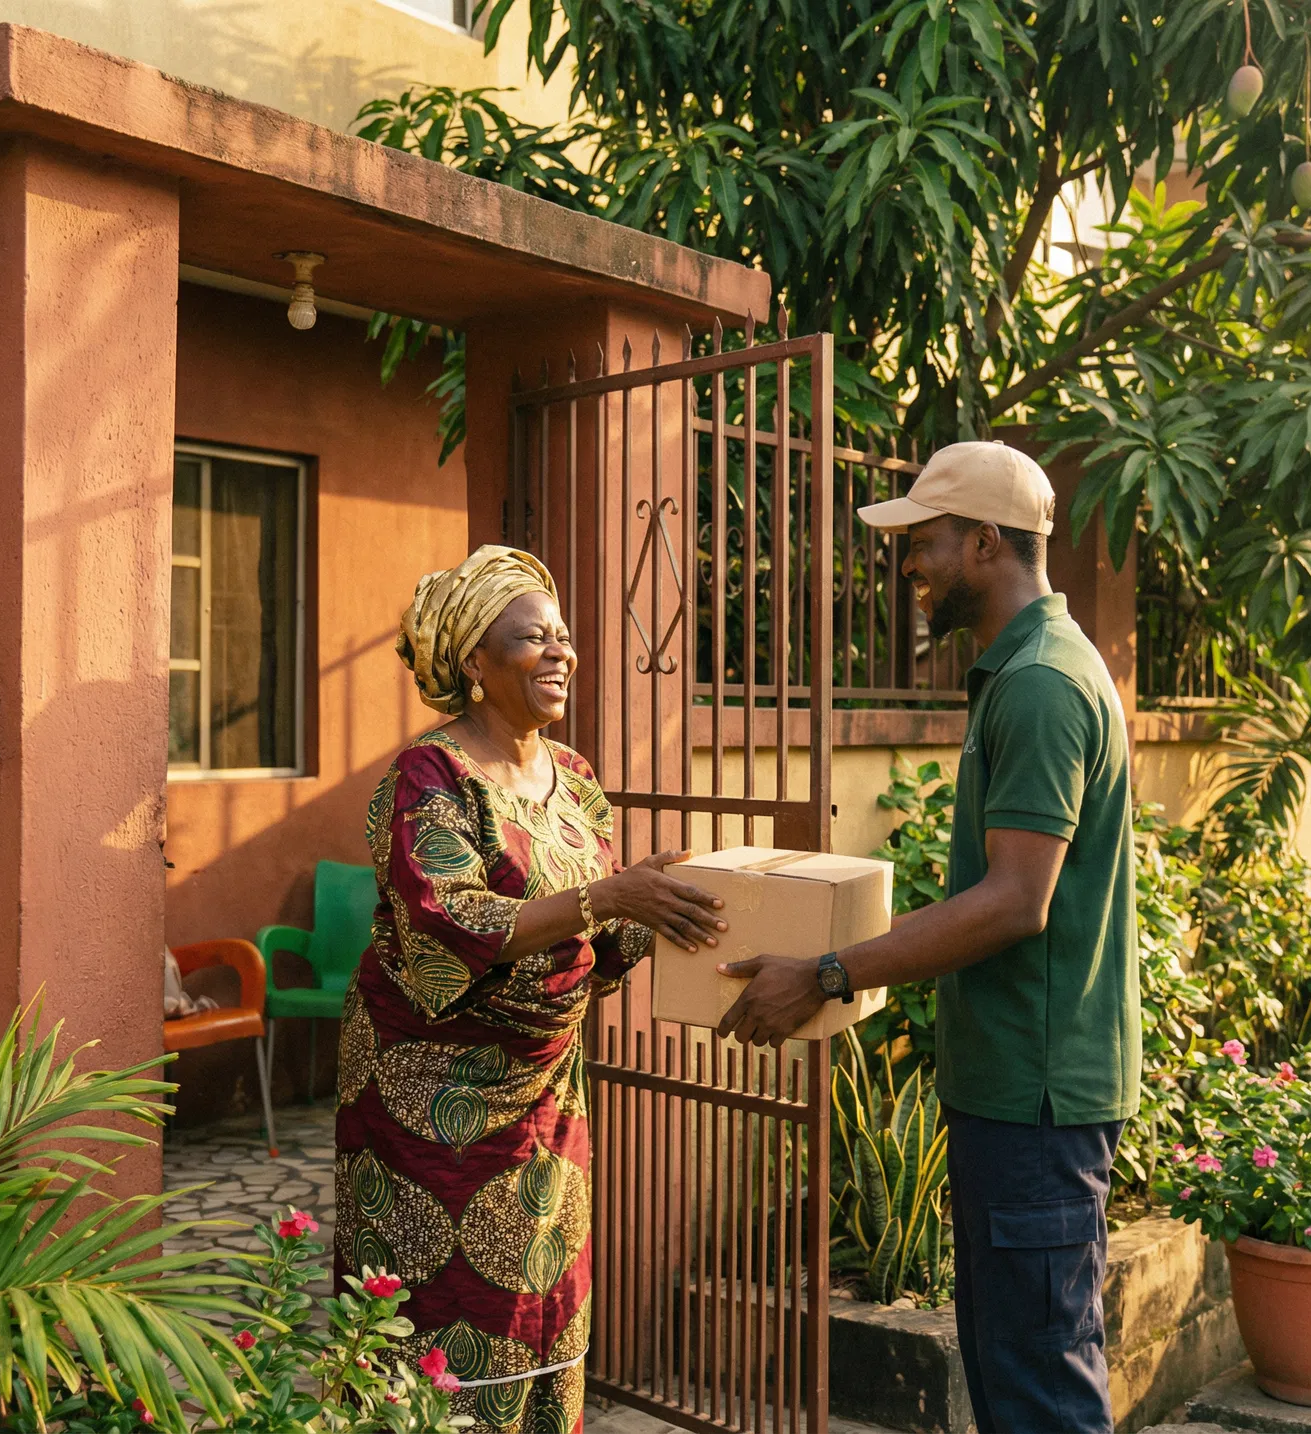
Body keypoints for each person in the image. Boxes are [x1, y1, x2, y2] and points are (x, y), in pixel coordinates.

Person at [714, 443, 1139, 1434]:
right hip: (1019, 1094)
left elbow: (1012, 902)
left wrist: (827, 974)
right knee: (1013, 1384)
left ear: (984, 544)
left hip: (1037, 1101)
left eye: (923, 542)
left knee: (1041, 1400)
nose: (905, 563)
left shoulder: (1039, 684)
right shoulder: (1027, 672)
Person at [335, 545, 728, 1434]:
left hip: (549, 1109)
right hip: (430, 1114)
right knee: (436, 1339)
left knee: (543, 1313)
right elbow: (446, 918)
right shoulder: (425, 777)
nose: (561, 654)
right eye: (533, 638)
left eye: (563, 638)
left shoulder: (576, 779)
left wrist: (657, 900)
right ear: (476, 662)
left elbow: (596, 935)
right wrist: (606, 895)